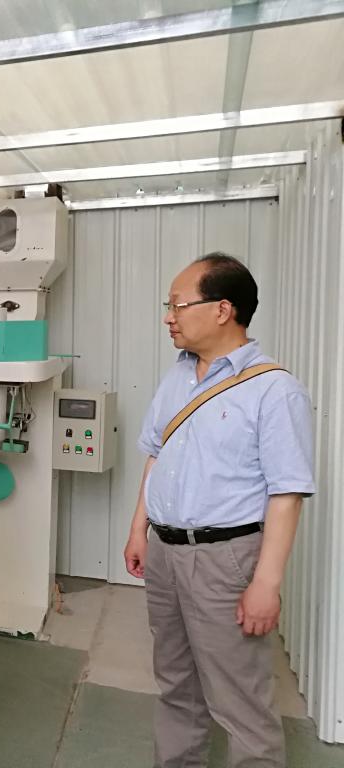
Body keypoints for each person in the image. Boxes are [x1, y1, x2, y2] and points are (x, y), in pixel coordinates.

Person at [123, 252, 315, 768]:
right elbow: (156, 455)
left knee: (240, 703)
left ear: (223, 309)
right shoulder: (177, 378)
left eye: (178, 305)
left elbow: (287, 493)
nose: (169, 317)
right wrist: (139, 529)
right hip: (165, 552)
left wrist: (266, 584)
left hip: (225, 560)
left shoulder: (274, 390)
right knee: (176, 686)